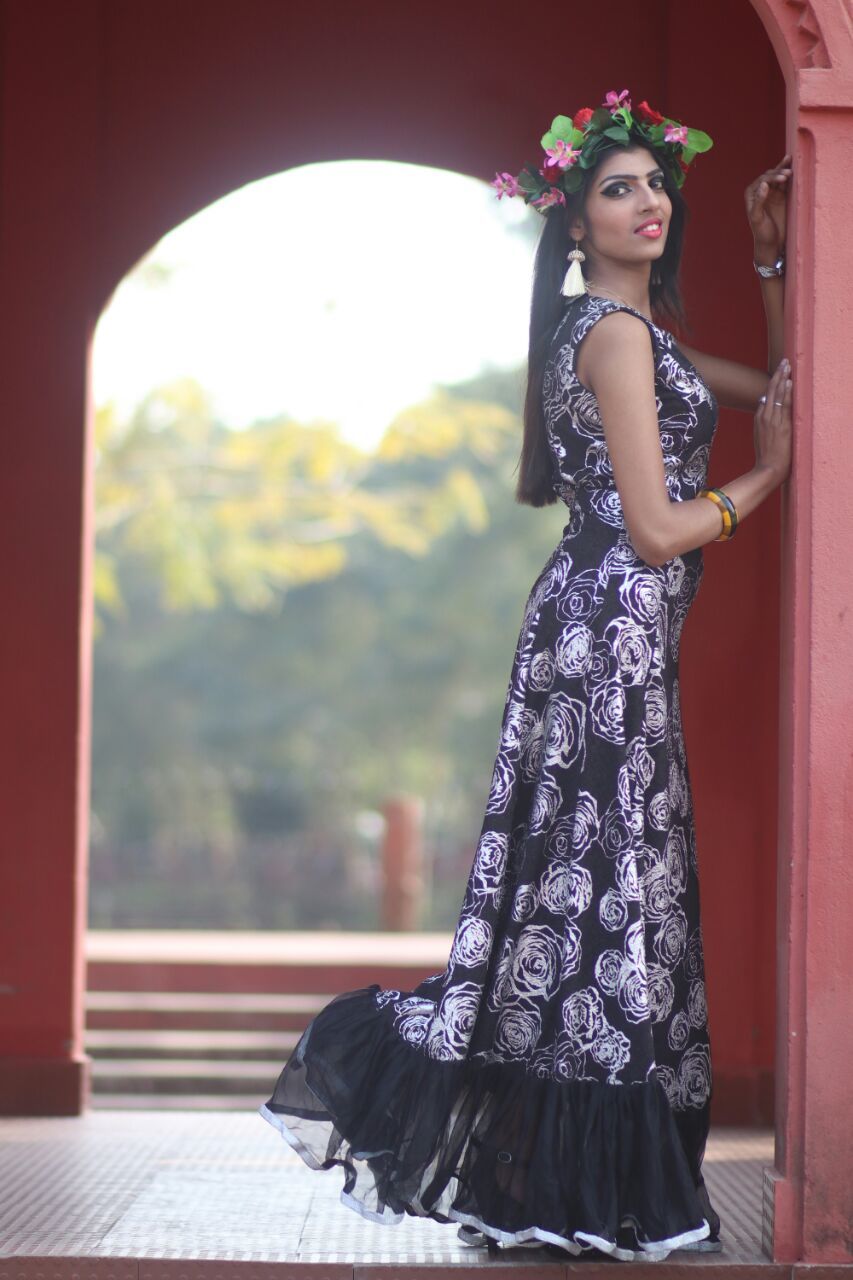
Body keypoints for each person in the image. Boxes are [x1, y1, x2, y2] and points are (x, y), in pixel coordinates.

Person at [258, 89, 793, 1263]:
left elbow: (780, 381)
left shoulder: (631, 331)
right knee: (598, 899)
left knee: (588, 894)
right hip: (605, 636)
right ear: (575, 219)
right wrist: (765, 477)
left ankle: (543, 1176)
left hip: (608, 639)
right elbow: (657, 528)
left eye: (656, 182)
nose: (648, 200)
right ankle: (570, 1179)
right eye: (617, 188)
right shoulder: (609, 335)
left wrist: (768, 259)